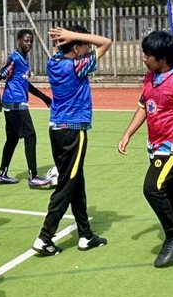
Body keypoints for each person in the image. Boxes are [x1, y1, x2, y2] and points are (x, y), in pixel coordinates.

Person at [118, 32, 173, 268]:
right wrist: (128, 134)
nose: (143, 58)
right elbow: (144, 106)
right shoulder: (150, 77)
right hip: (155, 145)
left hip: (172, 146)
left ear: (162, 58)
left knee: (153, 188)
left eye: (148, 55)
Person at [32, 23, 113, 256]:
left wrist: (68, 38)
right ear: (76, 48)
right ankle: (44, 237)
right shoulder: (77, 66)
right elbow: (106, 42)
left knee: (76, 181)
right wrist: (73, 35)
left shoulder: (53, 63)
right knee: (67, 184)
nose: (88, 49)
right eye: (84, 46)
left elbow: (76, 48)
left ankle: (85, 234)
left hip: (56, 129)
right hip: (73, 131)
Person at [0, 28, 53, 188]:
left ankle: (1, 174)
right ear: (19, 41)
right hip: (15, 104)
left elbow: (26, 85)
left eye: (31, 41)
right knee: (30, 136)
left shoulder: (25, 59)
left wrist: (44, 97)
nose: (29, 43)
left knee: (12, 139)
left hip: (15, 104)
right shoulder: (15, 59)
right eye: (26, 40)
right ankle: (33, 177)